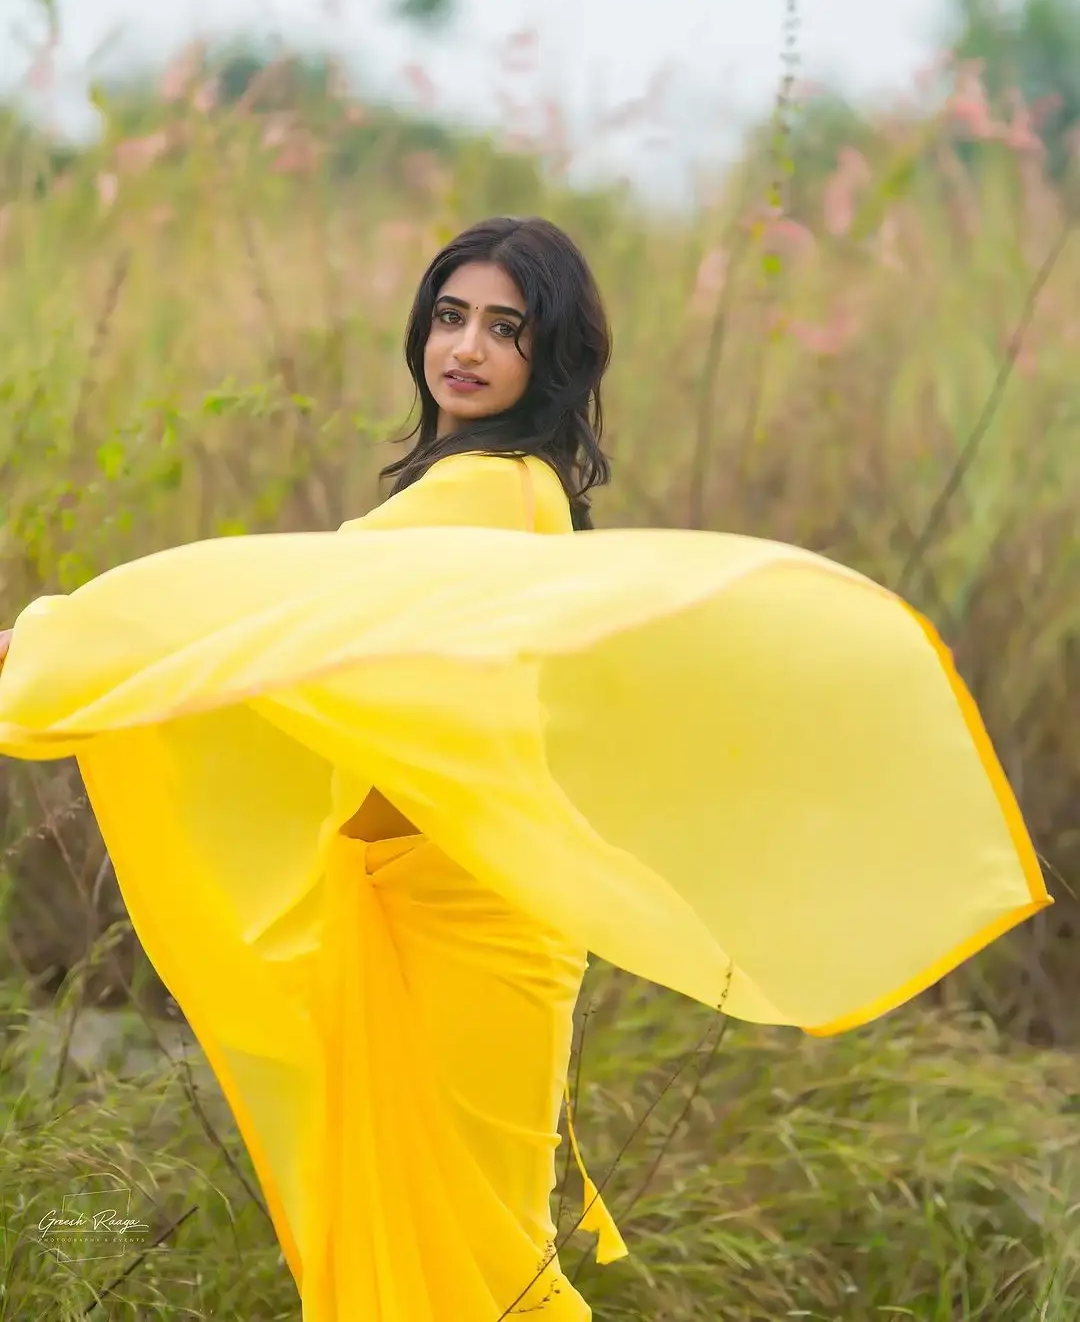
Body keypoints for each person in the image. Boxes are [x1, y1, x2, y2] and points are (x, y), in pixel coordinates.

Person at [0, 216, 1050, 1321]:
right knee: (436, 1234)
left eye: (505, 329)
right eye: (450, 317)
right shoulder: (481, 489)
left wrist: (64, 642)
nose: (466, 347)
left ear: (550, 359)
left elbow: (272, 608)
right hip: (424, 902)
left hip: (469, 920)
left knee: (488, 1256)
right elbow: (304, 641)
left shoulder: (496, 489)